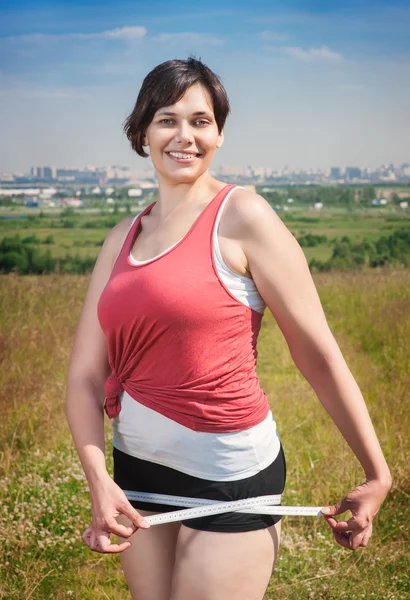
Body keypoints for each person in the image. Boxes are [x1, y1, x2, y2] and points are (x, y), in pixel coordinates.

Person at [65, 57, 392, 600]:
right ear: (141, 130)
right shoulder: (120, 238)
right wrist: (99, 481)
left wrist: (376, 473)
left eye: (201, 120)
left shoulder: (245, 217)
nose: (184, 135)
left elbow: (319, 356)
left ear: (219, 133)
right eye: (167, 119)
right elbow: (83, 376)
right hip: (138, 472)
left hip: (230, 475)